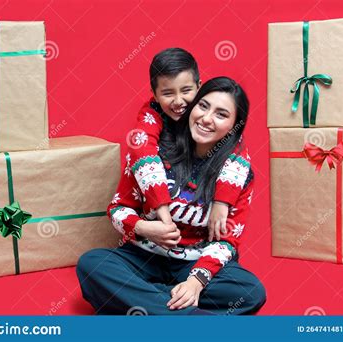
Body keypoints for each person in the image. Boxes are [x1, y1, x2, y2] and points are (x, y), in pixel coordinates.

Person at [77, 77, 266, 315]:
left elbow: (228, 242)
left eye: (221, 114)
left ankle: (148, 303)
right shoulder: (152, 153)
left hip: (194, 263)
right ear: (192, 106)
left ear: (234, 125)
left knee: (250, 292)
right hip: (143, 256)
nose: (206, 119)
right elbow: (117, 209)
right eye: (203, 106)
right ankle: (188, 318)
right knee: (92, 265)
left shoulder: (238, 174)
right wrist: (144, 228)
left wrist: (196, 281)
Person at [129, 48, 245, 240]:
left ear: (199, 86)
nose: (178, 101)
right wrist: (164, 214)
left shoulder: (208, 118)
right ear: (155, 95)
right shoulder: (151, 115)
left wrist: (223, 201)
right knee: (93, 260)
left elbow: (237, 148)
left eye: (186, 90)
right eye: (167, 93)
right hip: (161, 227)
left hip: (199, 237)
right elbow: (142, 150)